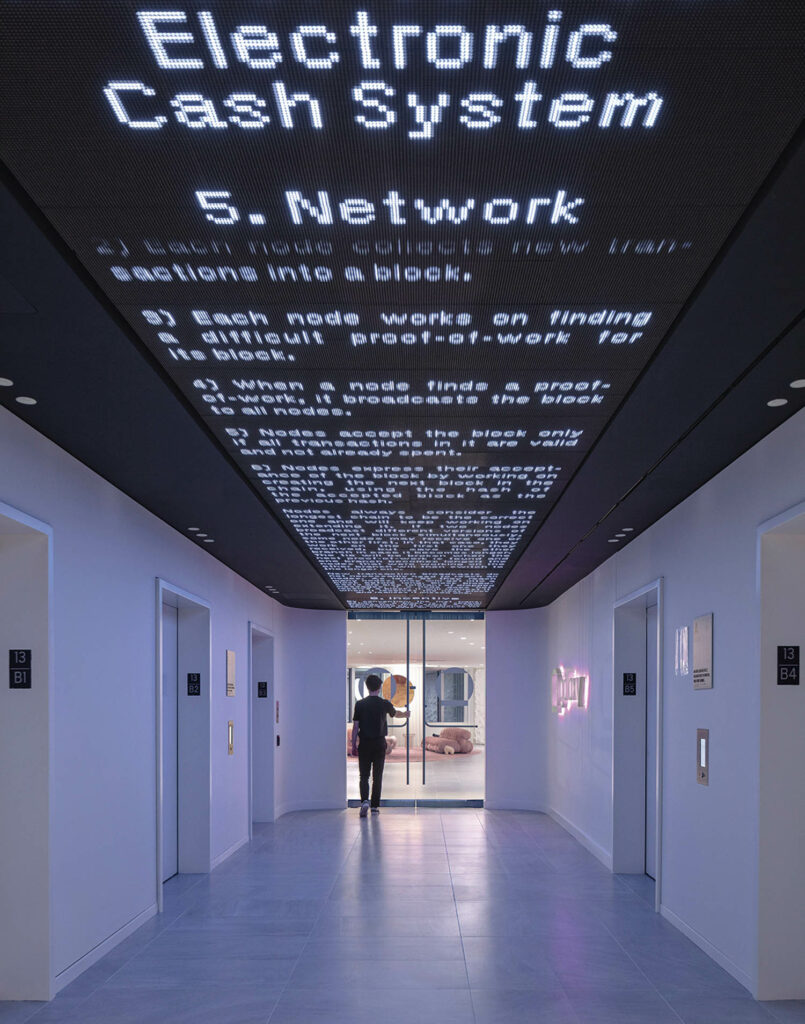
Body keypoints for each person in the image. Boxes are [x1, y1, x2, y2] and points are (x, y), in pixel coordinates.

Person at [352, 673, 410, 816]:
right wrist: (406, 714)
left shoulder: (360, 704)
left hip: (364, 743)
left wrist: (354, 745)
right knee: (377, 776)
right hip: (379, 743)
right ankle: (374, 806)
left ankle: (365, 801)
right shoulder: (384, 704)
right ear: (379, 688)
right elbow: (396, 714)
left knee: (363, 775)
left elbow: (355, 727)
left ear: (367, 688)